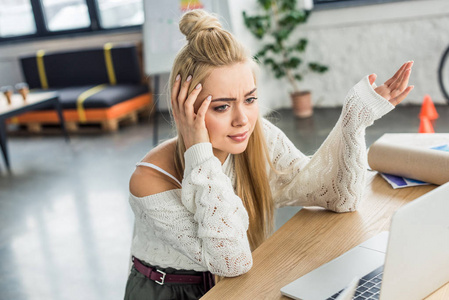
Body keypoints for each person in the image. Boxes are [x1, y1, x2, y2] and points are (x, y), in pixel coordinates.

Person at [124, 9, 414, 300]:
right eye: (222, 107)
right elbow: (232, 260)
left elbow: (340, 198)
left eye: (249, 99)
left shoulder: (258, 137)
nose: (243, 120)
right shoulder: (149, 180)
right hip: (168, 291)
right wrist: (198, 151)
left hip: (236, 285)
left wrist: (354, 119)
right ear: (184, 109)